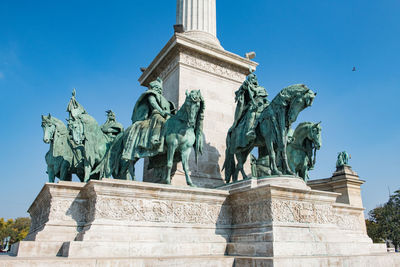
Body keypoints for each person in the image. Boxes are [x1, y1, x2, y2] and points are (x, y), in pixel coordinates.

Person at [122, 77, 176, 160]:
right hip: (156, 114)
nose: (159, 90)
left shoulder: (163, 98)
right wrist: (161, 112)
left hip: (166, 115)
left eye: (160, 88)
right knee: (160, 120)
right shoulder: (151, 94)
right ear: (153, 88)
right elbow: (153, 103)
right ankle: (154, 138)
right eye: (157, 88)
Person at [230, 71, 269, 148]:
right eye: (252, 78)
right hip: (253, 106)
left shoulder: (261, 88)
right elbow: (241, 95)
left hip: (263, 105)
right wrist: (244, 88)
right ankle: (250, 131)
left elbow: (264, 97)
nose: (254, 80)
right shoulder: (247, 87)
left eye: (255, 79)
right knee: (252, 115)